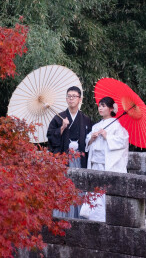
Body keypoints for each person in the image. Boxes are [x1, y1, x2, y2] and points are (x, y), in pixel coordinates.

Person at [80, 96, 129, 222]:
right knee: (94, 190)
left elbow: (123, 142)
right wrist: (92, 138)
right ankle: (92, 216)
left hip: (106, 164)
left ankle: (104, 217)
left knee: (104, 191)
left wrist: (108, 137)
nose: (100, 108)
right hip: (95, 163)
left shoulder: (117, 126)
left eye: (103, 106)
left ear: (111, 109)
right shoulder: (96, 126)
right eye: (99, 106)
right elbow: (87, 142)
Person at [46, 86, 93, 218]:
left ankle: (78, 214)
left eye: (74, 96)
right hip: (64, 159)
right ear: (66, 99)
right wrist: (62, 127)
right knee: (63, 186)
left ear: (80, 99)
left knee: (79, 187)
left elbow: (89, 141)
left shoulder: (86, 119)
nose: (71, 99)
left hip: (80, 158)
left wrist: (92, 139)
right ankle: (61, 215)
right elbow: (50, 137)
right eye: (69, 96)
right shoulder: (59, 118)